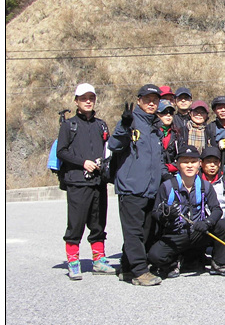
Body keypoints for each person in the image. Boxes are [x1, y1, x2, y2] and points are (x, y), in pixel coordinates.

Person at [108, 84, 168, 286]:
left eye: (155, 100)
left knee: (145, 231)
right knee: (133, 231)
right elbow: (114, 145)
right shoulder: (131, 121)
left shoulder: (156, 127)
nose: (152, 103)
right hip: (131, 187)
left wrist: (165, 177)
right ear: (139, 100)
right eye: (147, 99)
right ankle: (140, 272)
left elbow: (158, 158)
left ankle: (126, 268)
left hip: (150, 188)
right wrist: (124, 126)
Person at [148, 145, 225, 278]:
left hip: (199, 232)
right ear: (177, 164)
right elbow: (155, 212)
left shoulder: (205, 186)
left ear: (199, 164)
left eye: (193, 162)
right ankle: (173, 263)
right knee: (155, 256)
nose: (189, 166)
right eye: (185, 162)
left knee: (223, 225)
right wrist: (167, 215)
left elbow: (216, 210)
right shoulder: (167, 186)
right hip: (176, 234)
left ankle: (219, 263)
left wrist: (207, 222)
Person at [56, 83, 114, 279]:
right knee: (76, 223)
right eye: (83, 98)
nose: (88, 101)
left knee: (98, 223)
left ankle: (99, 260)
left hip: (98, 182)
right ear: (76, 101)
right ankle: (73, 261)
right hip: (78, 182)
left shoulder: (101, 124)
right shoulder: (68, 125)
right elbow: (61, 152)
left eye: (91, 98)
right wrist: (83, 163)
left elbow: (108, 148)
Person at [156, 99, 181, 175]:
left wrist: (169, 167)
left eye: (171, 112)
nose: (168, 115)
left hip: (172, 173)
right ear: (157, 114)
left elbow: (181, 157)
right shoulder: (153, 133)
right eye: (164, 112)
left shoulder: (177, 134)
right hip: (155, 172)